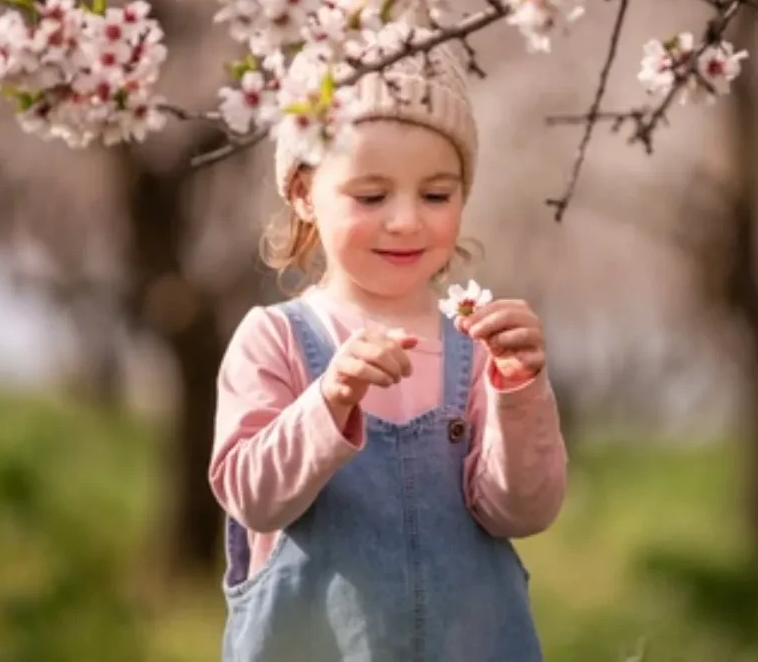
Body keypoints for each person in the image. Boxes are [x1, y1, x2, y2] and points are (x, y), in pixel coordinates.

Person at [208, 38, 569, 662]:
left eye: (436, 195)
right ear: (302, 192)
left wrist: (518, 392)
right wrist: (329, 400)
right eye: (370, 196)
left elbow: (522, 510)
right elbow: (251, 496)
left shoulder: (476, 347)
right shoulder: (276, 339)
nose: (405, 221)